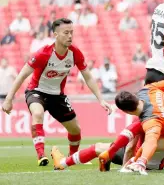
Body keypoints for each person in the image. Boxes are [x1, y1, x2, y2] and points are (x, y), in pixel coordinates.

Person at [1, 18, 114, 166]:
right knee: (37, 113)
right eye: (66, 33)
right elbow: (22, 75)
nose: (70, 36)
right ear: (55, 34)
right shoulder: (43, 53)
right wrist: (9, 99)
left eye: (71, 32)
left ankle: (72, 158)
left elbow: (88, 76)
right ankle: (41, 155)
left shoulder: (75, 53)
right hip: (36, 91)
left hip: (57, 96)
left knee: (75, 129)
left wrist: (101, 99)